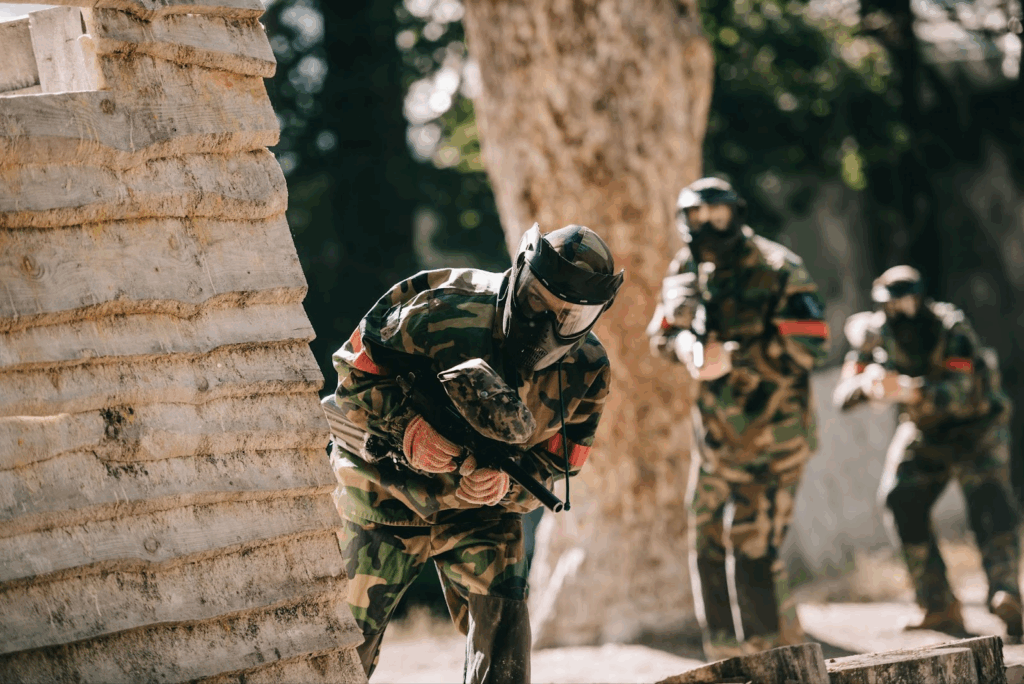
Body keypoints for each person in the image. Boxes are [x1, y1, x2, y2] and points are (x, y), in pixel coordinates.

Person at [324, 223, 622, 684]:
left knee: (505, 648)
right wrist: (406, 430)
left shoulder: (588, 371)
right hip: (382, 494)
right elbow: (350, 378)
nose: (547, 325)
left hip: (480, 510)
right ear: (520, 271)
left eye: (570, 319)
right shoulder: (441, 304)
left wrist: (506, 485)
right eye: (538, 302)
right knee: (340, 648)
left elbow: (556, 469)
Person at [646, 177, 830, 659]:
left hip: (775, 438)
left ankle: (772, 658)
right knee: (705, 543)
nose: (707, 226)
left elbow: (813, 341)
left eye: (717, 215)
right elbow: (661, 332)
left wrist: (736, 356)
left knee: (752, 551)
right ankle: (727, 657)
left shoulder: (777, 266)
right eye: (695, 217)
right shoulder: (687, 266)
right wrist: (685, 346)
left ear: (737, 213)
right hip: (715, 439)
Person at [833, 265, 1022, 639]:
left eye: (909, 300)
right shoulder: (875, 335)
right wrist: (868, 385)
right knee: (901, 498)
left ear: (922, 298)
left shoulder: (952, 328)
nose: (903, 310)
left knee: (989, 503)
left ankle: (1006, 593)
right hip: (925, 432)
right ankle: (937, 604)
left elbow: (961, 393)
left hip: (977, 429)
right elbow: (843, 394)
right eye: (894, 303)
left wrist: (907, 390)